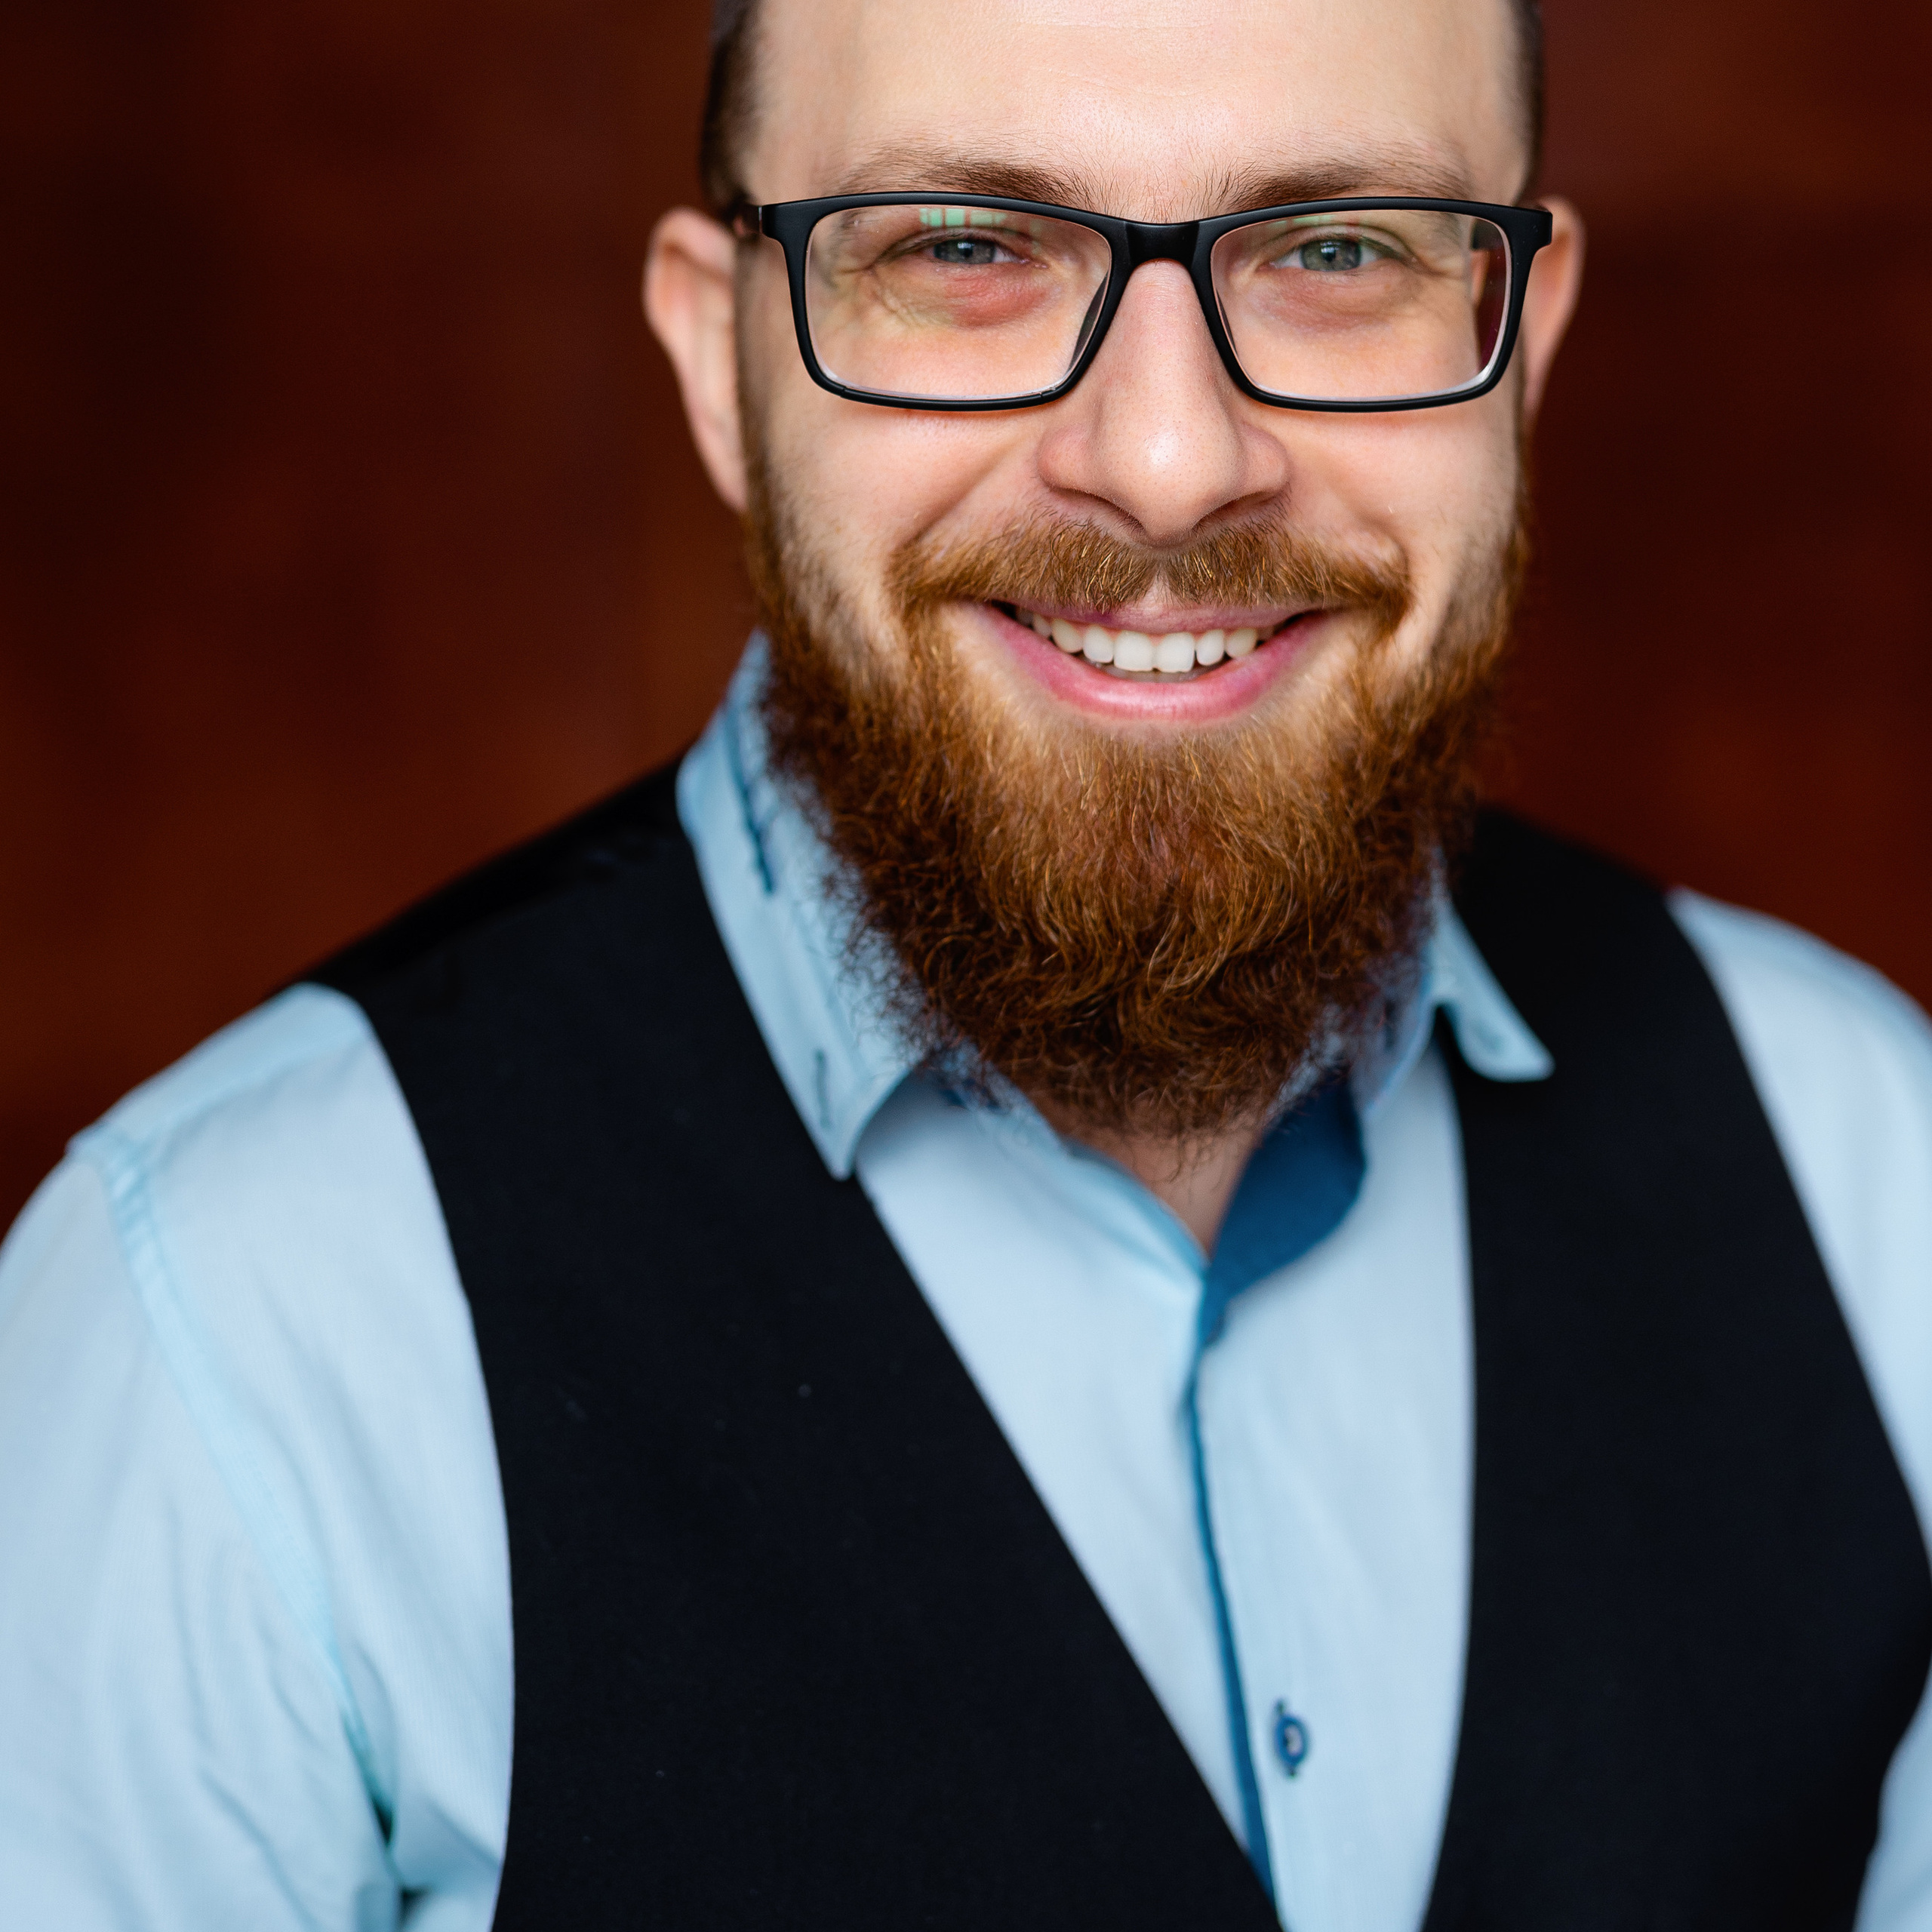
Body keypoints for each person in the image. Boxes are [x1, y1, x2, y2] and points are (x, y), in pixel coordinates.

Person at [4, 0, 1931, 1924]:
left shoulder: (1872, 1172)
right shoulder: (222, 1342)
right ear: (713, 356)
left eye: (1335, 251)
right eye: (963, 250)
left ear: (1524, 343)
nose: (1170, 464)